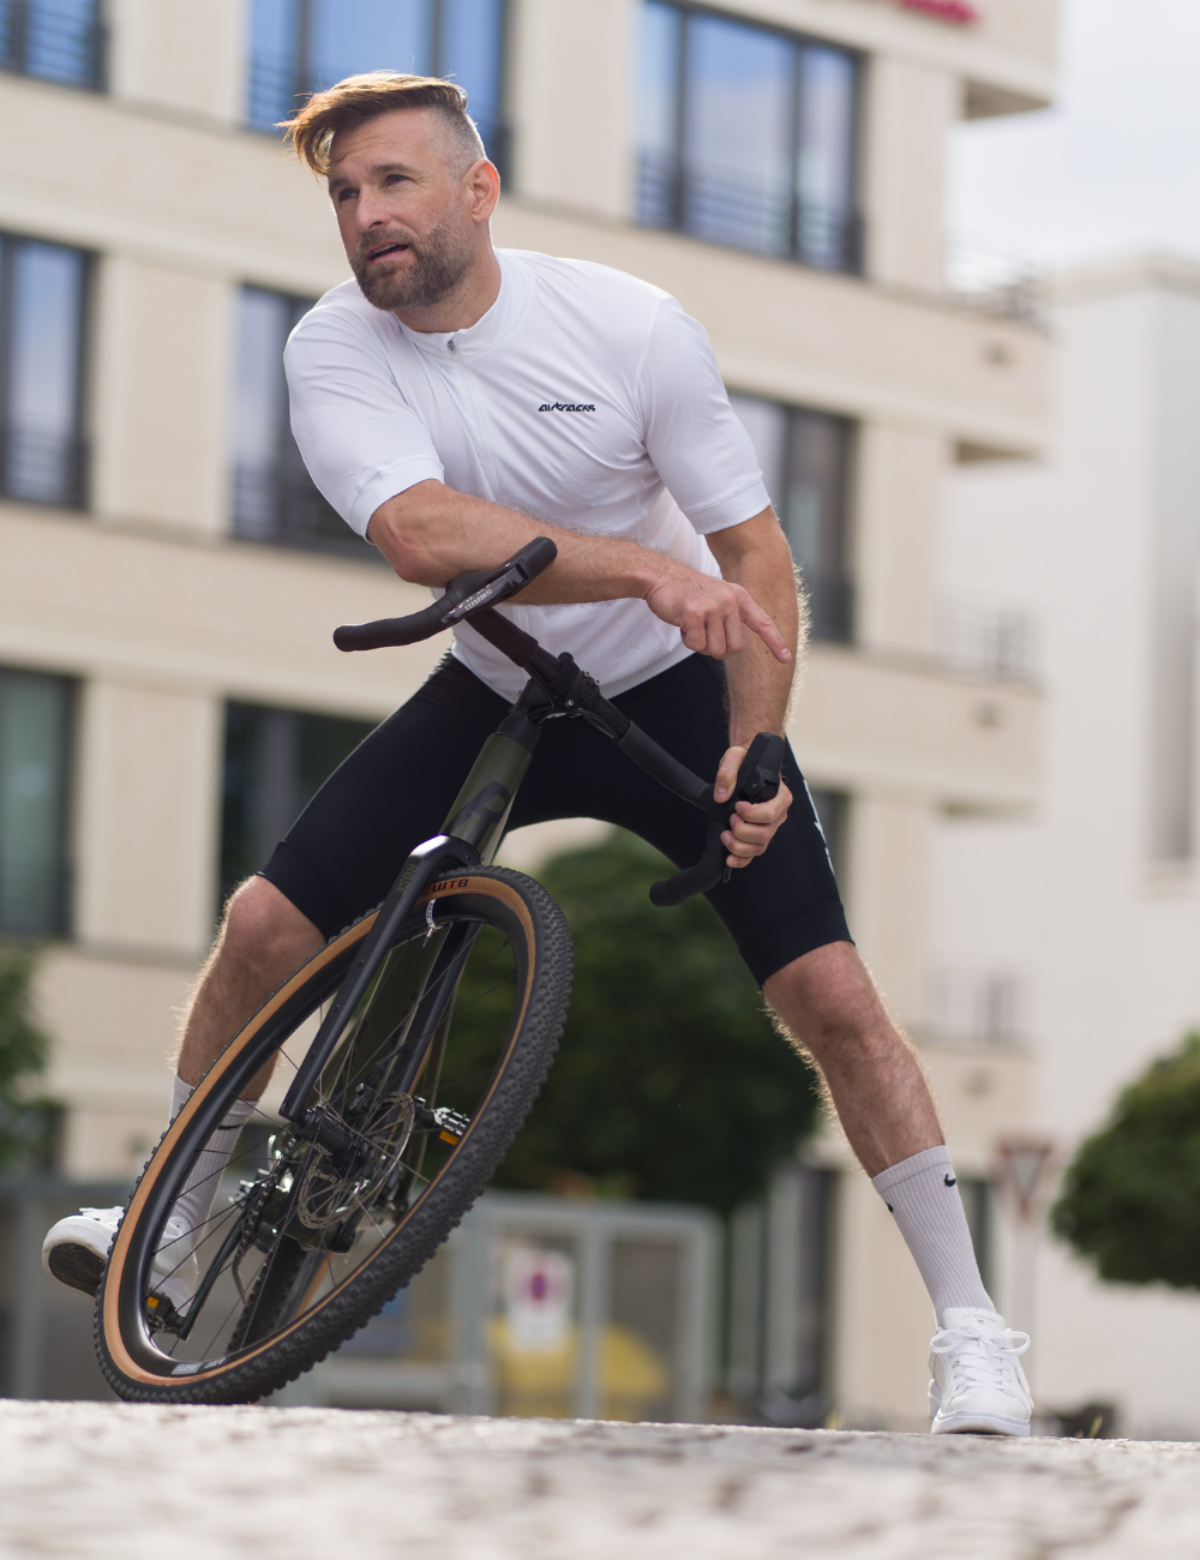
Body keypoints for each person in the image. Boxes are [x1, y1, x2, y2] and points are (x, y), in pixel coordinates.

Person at [43, 73, 1032, 1436]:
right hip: (499, 678)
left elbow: (748, 558)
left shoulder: (628, 328)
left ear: (476, 189)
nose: (367, 215)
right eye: (344, 194)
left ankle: (975, 1334)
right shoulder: (333, 347)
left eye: (393, 181)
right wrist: (635, 568)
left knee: (834, 1000)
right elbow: (420, 533)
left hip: (684, 687)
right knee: (267, 923)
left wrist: (759, 745)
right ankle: (171, 1208)